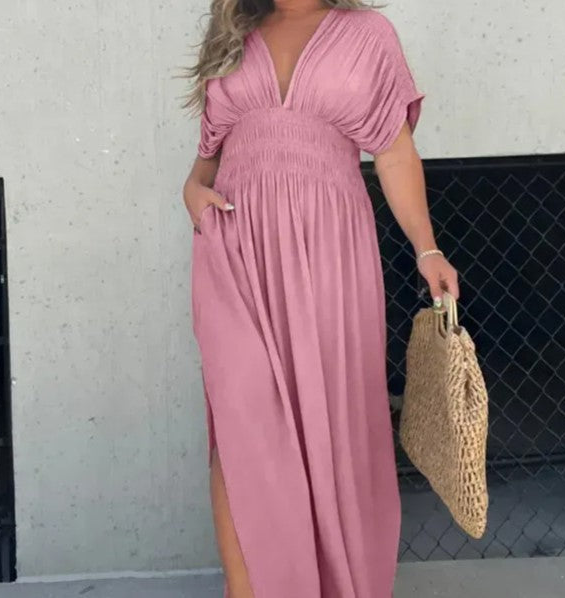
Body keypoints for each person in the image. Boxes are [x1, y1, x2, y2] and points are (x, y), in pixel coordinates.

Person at [182, 1, 460, 596]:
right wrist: (192, 192)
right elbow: (207, 158)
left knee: (332, 421)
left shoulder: (368, 34)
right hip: (236, 249)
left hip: (329, 249)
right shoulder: (233, 31)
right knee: (240, 417)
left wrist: (428, 249)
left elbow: (394, 152)